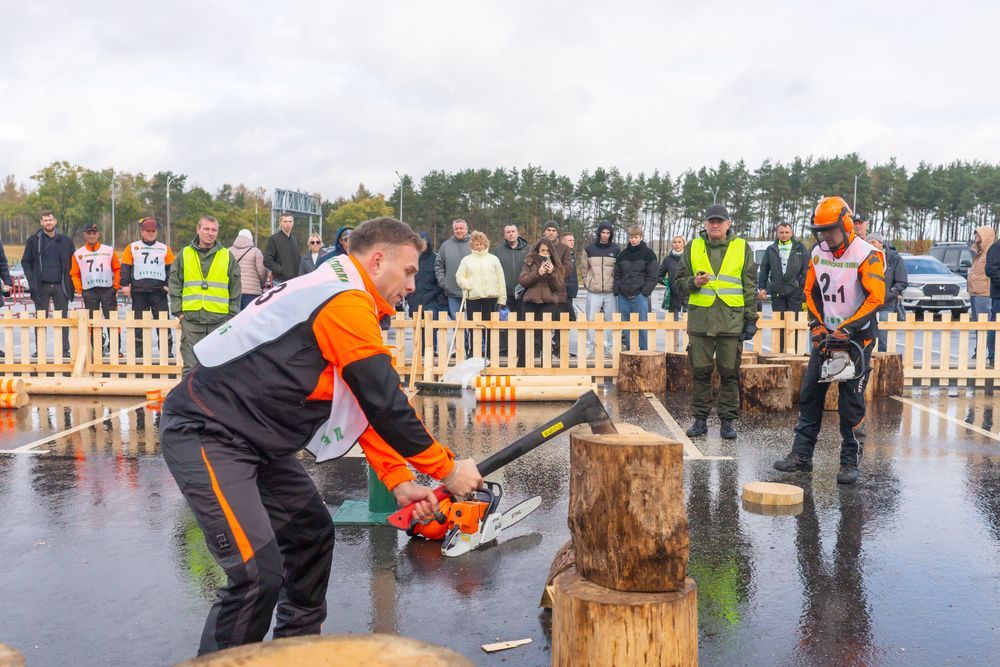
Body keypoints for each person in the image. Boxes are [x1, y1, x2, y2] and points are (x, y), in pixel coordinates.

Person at [159, 217, 483, 655]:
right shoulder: (344, 301)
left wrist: (399, 480)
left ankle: (295, 654)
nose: (412, 285)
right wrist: (447, 469)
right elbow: (385, 403)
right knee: (255, 574)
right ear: (377, 260)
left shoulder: (342, 292)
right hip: (207, 431)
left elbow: (362, 403)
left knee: (310, 535)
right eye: (408, 271)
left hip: (254, 440)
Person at [773, 196, 885, 485]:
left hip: (858, 338)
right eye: (820, 231)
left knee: (851, 401)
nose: (825, 237)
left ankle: (849, 462)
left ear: (845, 225)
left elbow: (876, 298)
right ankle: (801, 456)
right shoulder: (817, 252)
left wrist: (848, 328)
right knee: (810, 394)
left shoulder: (867, 254)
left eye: (830, 230)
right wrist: (817, 325)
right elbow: (810, 292)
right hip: (827, 336)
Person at [676, 205, 758, 440]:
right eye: (711, 221)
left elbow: (750, 285)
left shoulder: (741, 247)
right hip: (701, 321)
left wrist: (750, 319)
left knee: (729, 372)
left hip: (730, 321)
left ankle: (727, 422)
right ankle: (700, 420)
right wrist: (694, 283)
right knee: (700, 372)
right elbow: (679, 281)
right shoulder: (693, 246)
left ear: (728, 224)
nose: (715, 225)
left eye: (719, 221)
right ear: (705, 224)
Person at [169, 216, 241, 373]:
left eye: (214, 230)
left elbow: (235, 288)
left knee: (219, 367)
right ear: (198, 229)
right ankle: (190, 391)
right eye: (206, 229)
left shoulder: (227, 255)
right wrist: (179, 312)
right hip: (191, 321)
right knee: (191, 369)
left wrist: (231, 315)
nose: (210, 233)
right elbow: (175, 283)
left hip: (219, 322)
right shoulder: (185, 254)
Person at [20, 209, 74, 353]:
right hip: (41, 286)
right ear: (41, 222)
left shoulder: (66, 241)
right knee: (40, 318)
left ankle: (64, 350)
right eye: (45, 220)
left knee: (62, 318)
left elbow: (73, 262)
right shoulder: (33, 240)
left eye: (50, 220)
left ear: (55, 221)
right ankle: (40, 350)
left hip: (60, 285)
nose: (48, 222)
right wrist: (32, 281)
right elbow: (26, 262)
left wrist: (71, 282)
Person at [121, 217, 175, 357]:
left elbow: (171, 269)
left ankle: (166, 351)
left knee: (163, 322)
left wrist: (167, 285)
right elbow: (125, 267)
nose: (151, 233)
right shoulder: (132, 247)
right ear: (142, 231)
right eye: (148, 231)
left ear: (156, 231)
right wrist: (125, 285)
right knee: (139, 323)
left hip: (159, 292)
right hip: (139, 292)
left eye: (153, 231)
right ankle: (139, 352)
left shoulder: (165, 248)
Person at [71, 223, 121, 356]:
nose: (92, 236)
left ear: (98, 234)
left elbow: (117, 269)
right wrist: (80, 289)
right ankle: (97, 349)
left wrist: (115, 286)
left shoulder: (109, 250)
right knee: (93, 321)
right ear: (85, 235)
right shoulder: (78, 253)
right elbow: (74, 274)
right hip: (89, 291)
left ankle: (116, 349)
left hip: (107, 290)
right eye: (89, 233)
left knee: (112, 319)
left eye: (94, 233)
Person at [455, 231, 506, 356]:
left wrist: (502, 299)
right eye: (476, 244)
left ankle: (490, 352)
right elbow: (459, 276)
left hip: (491, 297)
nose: (479, 247)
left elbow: (501, 279)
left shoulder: (493, 259)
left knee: (490, 326)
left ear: (486, 244)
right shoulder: (466, 260)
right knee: (474, 326)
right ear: (472, 245)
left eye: (481, 244)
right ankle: (474, 352)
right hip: (473, 298)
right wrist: (467, 284)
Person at [518, 238, 565, 363]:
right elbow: (523, 281)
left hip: (548, 302)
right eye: (542, 250)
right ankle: (522, 364)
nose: (545, 253)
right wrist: (537, 273)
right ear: (537, 250)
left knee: (545, 335)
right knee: (526, 333)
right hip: (530, 301)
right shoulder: (530, 261)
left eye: (547, 251)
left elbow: (558, 287)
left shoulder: (556, 264)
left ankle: (546, 365)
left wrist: (551, 273)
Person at [612, 225, 658, 351]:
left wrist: (644, 292)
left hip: (640, 296)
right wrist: (617, 290)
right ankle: (629, 351)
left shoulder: (649, 254)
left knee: (642, 325)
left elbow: (653, 276)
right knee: (626, 325)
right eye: (631, 237)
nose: (633, 240)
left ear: (641, 237)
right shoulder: (622, 254)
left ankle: (644, 351)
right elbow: (617, 274)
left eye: (636, 237)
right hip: (623, 296)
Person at [583, 222, 619, 358]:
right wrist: (587, 283)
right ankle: (589, 347)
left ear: (611, 234)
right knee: (590, 319)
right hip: (594, 291)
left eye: (608, 233)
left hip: (610, 292)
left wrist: (615, 285)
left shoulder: (616, 249)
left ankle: (610, 348)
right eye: (603, 232)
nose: (605, 235)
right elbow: (584, 269)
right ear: (599, 233)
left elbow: (618, 270)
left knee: (611, 320)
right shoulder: (589, 249)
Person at [493, 224, 529, 357]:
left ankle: (519, 349)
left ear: (517, 233)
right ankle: (504, 350)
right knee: (504, 322)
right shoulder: (498, 251)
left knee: (521, 322)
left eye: (513, 231)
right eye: (508, 232)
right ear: (505, 235)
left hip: (523, 293)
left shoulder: (529, 249)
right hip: (505, 293)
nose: (511, 234)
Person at [868, 232, 908, 352]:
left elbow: (902, 281)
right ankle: (868, 360)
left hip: (886, 304)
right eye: (868, 243)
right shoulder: (865, 257)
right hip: (869, 304)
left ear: (881, 243)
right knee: (867, 337)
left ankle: (883, 360)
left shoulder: (894, 259)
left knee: (883, 337)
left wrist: (891, 293)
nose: (871, 245)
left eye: (873, 242)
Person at [757, 222, 808, 313]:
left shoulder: (800, 248)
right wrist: (762, 288)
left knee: (794, 319)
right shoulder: (771, 249)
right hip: (777, 290)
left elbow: (806, 268)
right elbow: (764, 269)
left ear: (791, 233)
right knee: (779, 319)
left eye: (787, 232)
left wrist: (802, 284)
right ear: (777, 233)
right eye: (781, 232)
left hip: (795, 290)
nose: (784, 235)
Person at [969, 226, 996, 364]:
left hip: (984, 293)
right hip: (974, 292)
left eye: (978, 234)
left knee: (984, 324)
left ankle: (986, 352)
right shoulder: (979, 252)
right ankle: (978, 350)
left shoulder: (990, 253)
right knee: (977, 324)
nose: (976, 236)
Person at [231, 229, 267, 310]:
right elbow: (262, 272)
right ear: (250, 238)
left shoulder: (228, 251)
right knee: (250, 315)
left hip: (234, 291)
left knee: (235, 316)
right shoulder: (255, 251)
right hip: (252, 292)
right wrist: (262, 284)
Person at [264, 212, 300, 284]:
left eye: (290, 221)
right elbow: (267, 261)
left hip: (294, 280)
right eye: (285, 221)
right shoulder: (274, 239)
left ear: (293, 223)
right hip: (279, 281)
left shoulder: (294, 239)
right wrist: (282, 271)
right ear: (280, 223)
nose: (288, 224)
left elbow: (298, 258)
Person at [657, 235, 688, 315]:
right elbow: (659, 276)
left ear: (684, 244)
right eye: (674, 242)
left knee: (688, 320)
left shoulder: (689, 258)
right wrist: (668, 282)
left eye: (679, 242)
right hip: (673, 296)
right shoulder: (667, 260)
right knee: (673, 320)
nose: (676, 244)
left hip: (688, 295)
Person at [986, 231, 1000, 367]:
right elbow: (990, 269)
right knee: (995, 325)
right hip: (999, 296)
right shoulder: (996, 247)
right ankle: (993, 356)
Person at [560, 232, 579, 322]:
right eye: (569, 240)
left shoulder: (572, 255)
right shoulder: (559, 255)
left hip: (570, 293)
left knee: (568, 319)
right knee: (569, 318)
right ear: (562, 242)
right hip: (562, 292)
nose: (572, 242)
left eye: (573, 240)